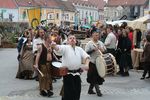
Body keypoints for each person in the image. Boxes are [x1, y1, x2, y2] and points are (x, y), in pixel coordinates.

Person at [51, 34, 90, 100]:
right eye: (70, 38)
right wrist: (54, 46)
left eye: (74, 38)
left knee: (77, 92)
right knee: (69, 94)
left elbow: (87, 57)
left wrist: (87, 65)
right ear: (68, 41)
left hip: (77, 74)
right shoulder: (65, 48)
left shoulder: (79, 49)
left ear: (76, 41)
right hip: (68, 75)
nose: (72, 39)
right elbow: (58, 49)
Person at [85, 31, 105, 97]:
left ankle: (90, 90)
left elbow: (105, 50)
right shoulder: (89, 43)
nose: (97, 36)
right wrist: (93, 50)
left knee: (96, 77)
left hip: (99, 62)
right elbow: (86, 53)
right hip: (92, 62)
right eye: (95, 35)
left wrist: (102, 50)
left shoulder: (100, 43)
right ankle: (98, 92)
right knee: (94, 77)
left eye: (97, 35)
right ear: (92, 36)